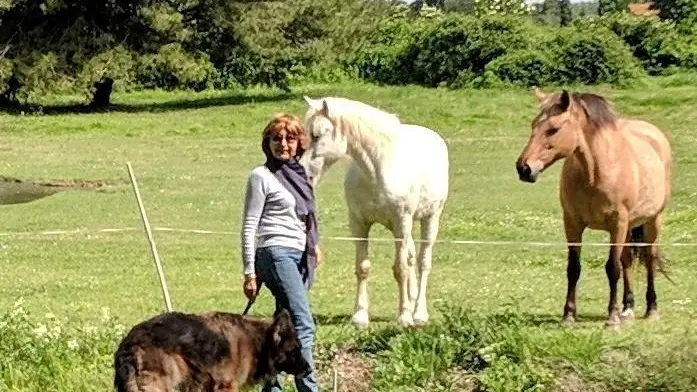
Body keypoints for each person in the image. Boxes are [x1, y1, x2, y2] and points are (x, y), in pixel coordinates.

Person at [241, 113, 322, 392]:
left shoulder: (301, 175)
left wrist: (313, 247)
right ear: (267, 143)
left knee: (281, 328)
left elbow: (305, 218)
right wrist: (250, 271)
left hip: (296, 253)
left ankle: (270, 387)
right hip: (275, 252)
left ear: (299, 143)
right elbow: (250, 225)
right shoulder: (261, 176)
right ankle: (309, 388)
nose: (283, 144)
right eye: (276, 139)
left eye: (289, 138)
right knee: (304, 324)